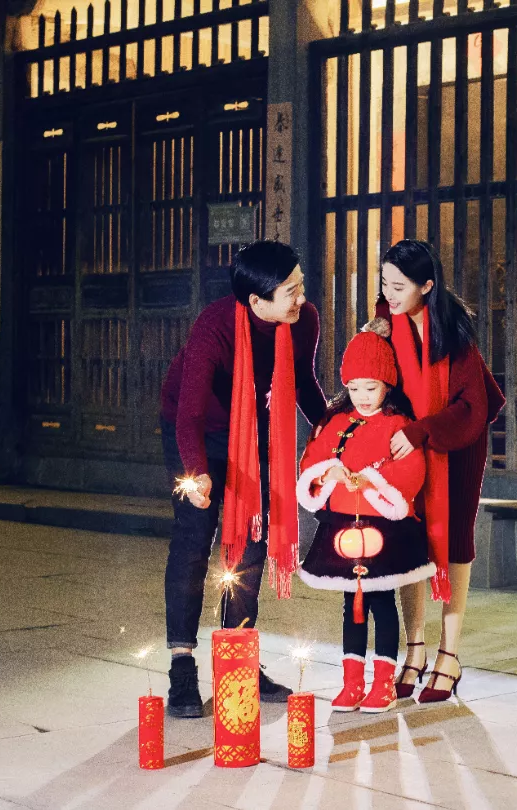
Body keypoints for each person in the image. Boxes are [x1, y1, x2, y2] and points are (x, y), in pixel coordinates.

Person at [159, 240, 327, 718]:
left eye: (300, 286)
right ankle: (182, 665)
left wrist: (331, 426)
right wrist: (197, 475)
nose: (301, 298)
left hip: (257, 433)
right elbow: (187, 414)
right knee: (194, 537)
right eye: (290, 291)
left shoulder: (302, 321)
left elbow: (304, 380)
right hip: (199, 431)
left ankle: (239, 658)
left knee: (254, 540)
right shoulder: (215, 327)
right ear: (256, 301)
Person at [374, 239, 505, 703]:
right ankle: (415, 648)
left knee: (452, 545)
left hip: (455, 445)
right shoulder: (384, 325)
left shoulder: (453, 331)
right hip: (405, 446)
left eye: (399, 285)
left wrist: (425, 430)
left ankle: (449, 655)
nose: (389, 293)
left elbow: (475, 405)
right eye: (384, 282)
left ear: (426, 286)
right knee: (409, 540)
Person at [295, 328, 432, 714]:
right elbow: (313, 461)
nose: (362, 397)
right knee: (349, 604)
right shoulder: (336, 421)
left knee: (381, 601)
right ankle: (352, 681)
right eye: (354, 389)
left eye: (370, 388)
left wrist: (371, 481)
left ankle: (383, 683)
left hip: (383, 528)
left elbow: (410, 469)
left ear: (386, 385)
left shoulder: (396, 424)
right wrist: (329, 473)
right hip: (342, 526)